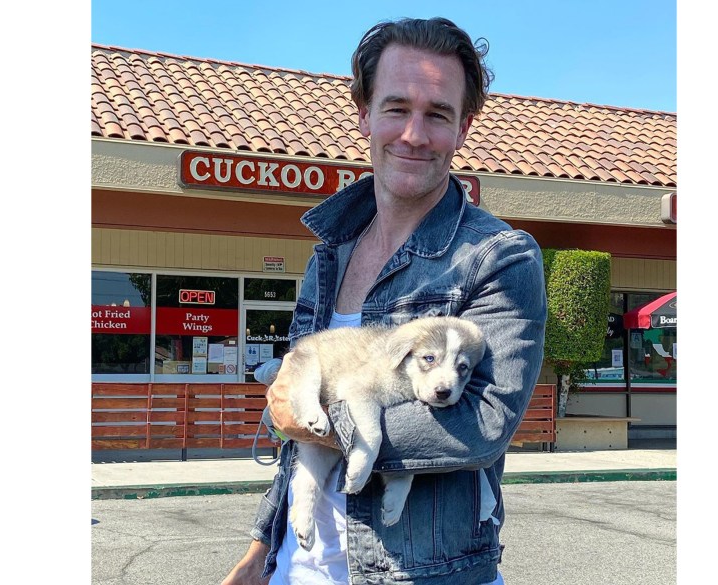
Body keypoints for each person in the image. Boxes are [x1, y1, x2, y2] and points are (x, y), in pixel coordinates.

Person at [221, 16, 546, 585]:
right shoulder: (330, 255)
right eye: (397, 108)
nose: (414, 134)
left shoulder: (500, 257)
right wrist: (259, 551)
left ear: (464, 127)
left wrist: (316, 424)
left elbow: (483, 421)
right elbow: (297, 428)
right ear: (364, 111)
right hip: (295, 571)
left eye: (437, 114)